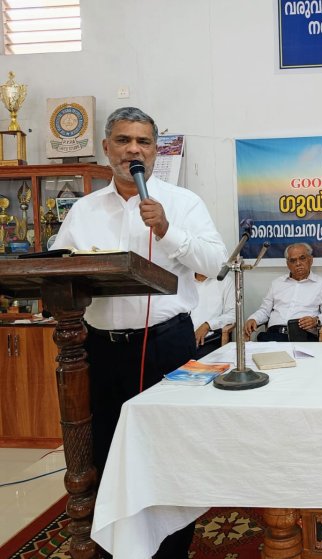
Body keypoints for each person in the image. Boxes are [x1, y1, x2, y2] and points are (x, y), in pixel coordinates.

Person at [52, 106, 227, 558]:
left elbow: (215, 263)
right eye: (124, 140)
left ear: (155, 150)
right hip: (98, 350)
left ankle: (170, 549)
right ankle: (117, 547)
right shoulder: (84, 210)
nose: (134, 150)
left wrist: (167, 230)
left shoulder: (183, 202)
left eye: (143, 142)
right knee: (107, 451)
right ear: (106, 147)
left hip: (167, 344)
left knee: (170, 451)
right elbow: (57, 267)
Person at [243, 243, 322, 341]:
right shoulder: (277, 283)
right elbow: (265, 310)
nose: (298, 263)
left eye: (302, 258)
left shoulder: (321, 284)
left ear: (311, 260)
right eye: (293, 260)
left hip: (303, 336)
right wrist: (254, 319)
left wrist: (316, 320)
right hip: (274, 335)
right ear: (288, 264)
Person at [192, 273, 235, 358]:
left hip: (208, 340)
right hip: (182, 339)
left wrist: (208, 325)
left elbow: (232, 314)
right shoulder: (183, 277)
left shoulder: (225, 280)